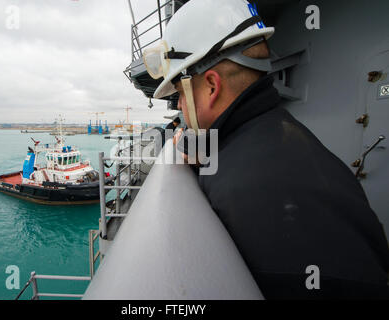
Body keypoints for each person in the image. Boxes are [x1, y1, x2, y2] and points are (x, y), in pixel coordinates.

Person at [143, 0, 389, 299]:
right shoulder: (283, 135)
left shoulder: (241, 187)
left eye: (180, 94)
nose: (179, 106)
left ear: (211, 86)